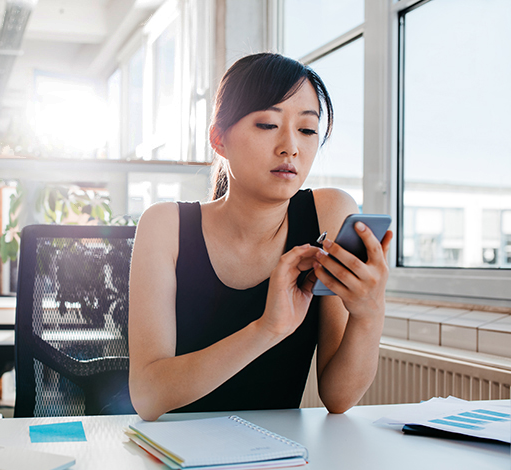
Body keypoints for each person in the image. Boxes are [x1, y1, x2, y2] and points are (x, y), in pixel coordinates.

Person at [128, 52, 392, 421]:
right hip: (174, 458)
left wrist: (369, 312)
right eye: (268, 124)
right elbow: (147, 396)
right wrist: (268, 329)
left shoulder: (329, 213)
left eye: (307, 129)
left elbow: (339, 396)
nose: (291, 146)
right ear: (219, 138)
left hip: (278, 458)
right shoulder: (165, 225)